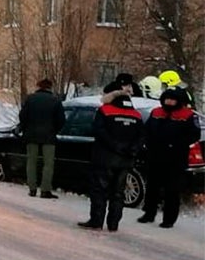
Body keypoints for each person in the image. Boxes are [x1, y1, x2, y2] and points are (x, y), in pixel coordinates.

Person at [79, 82, 144, 232]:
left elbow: (98, 131)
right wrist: (132, 149)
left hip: (105, 158)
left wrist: (115, 146)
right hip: (126, 160)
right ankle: (113, 224)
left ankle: (96, 221)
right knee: (118, 193)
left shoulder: (105, 111)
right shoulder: (136, 114)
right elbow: (142, 136)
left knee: (99, 190)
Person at [137, 87, 200, 229]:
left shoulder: (187, 115)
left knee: (172, 190)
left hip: (175, 159)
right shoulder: (156, 112)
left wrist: (176, 144)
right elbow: (146, 130)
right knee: (152, 187)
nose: (169, 102)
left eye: (172, 99)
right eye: (167, 99)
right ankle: (149, 213)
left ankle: (169, 219)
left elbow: (193, 135)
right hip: (155, 156)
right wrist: (146, 143)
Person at [18, 78, 65, 199]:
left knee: (31, 162)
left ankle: (32, 189)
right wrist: (54, 130)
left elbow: (22, 116)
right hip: (49, 136)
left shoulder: (30, 99)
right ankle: (45, 190)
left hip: (31, 135)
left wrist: (26, 128)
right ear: (50, 87)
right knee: (48, 164)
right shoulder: (55, 100)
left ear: (38, 86)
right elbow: (61, 120)